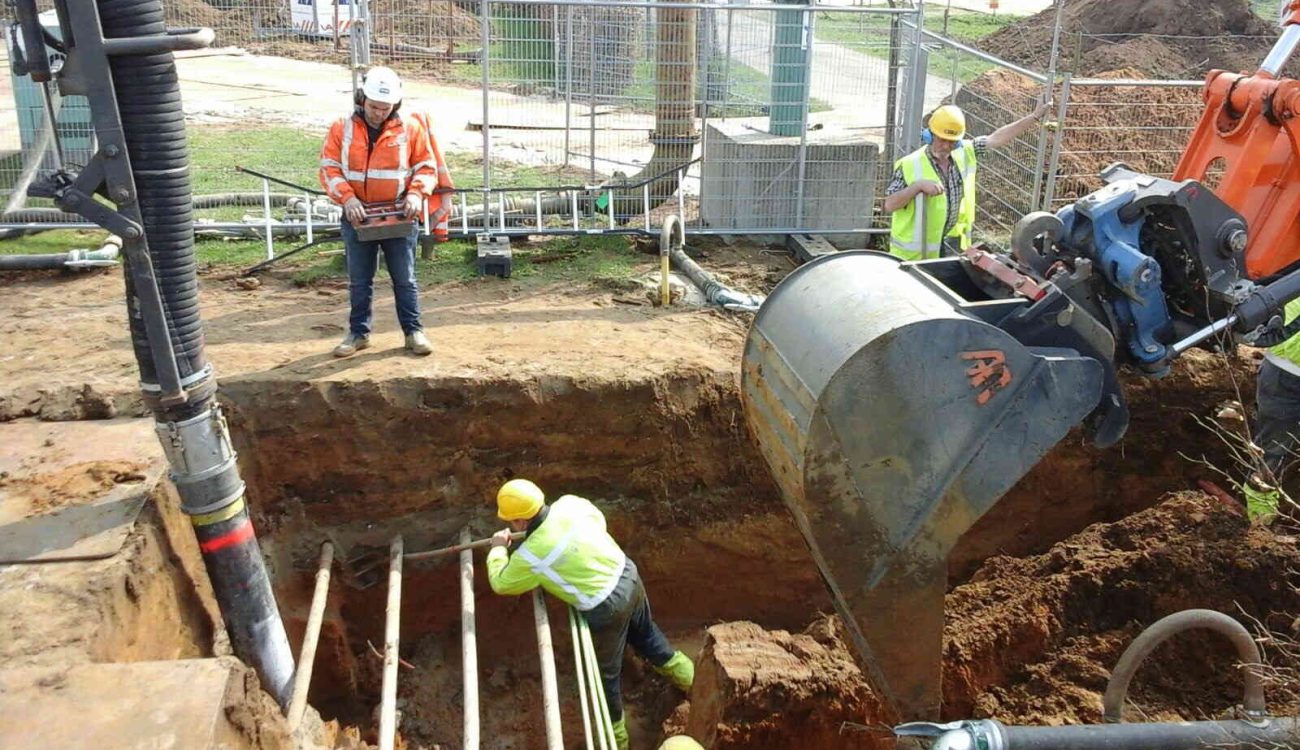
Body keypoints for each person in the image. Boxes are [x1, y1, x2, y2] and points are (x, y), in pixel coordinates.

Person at [486, 478, 695, 750]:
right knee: (646, 636)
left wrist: (498, 549)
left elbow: (501, 583)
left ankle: (618, 742)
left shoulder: (532, 553)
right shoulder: (569, 504)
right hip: (627, 574)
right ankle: (692, 682)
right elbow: (598, 522)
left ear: (519, 523)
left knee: (605, 677)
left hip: (605, 606)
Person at [319, 66, 444, 358]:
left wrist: (415, 194)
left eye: (385, 108)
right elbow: (329, 167)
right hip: (358, 215)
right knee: (360, 279)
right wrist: (347, 199)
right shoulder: (342, 127)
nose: (378, 113)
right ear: (362, 99)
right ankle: (358, 334)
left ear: (395, 105)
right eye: (374, 107)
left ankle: (414, 332)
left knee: (405, 278)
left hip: (399, 214)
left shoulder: (410, 128)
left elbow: (426, 167)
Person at [882, 101, 1053, 260]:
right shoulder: (910, 164)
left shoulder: (965, 152)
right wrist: (917, 187)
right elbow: (889, 204)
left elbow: (997, 138)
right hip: (914, 256)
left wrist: (1034, 117)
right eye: (942, 140)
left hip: (952, 246)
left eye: (952, 142)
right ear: (930, 135)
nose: (946, 146)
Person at [1246, 299, 1300, 522]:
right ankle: (1260, 525)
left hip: (1281, 372)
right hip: (1283, 373)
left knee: (1271, 451)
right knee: (1271, 452)